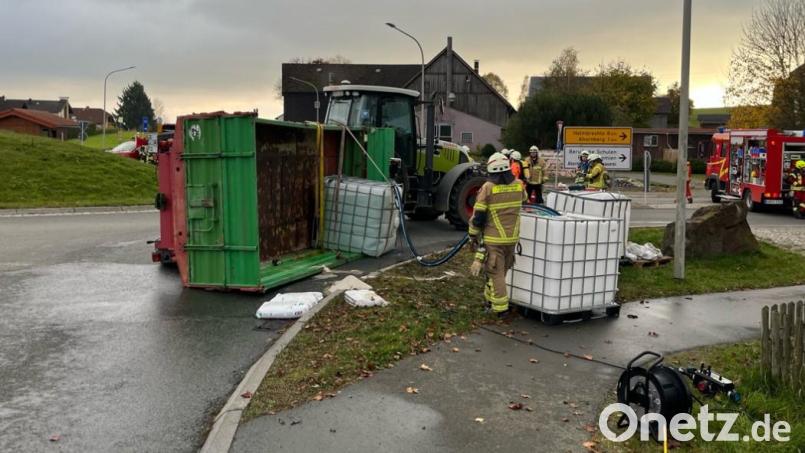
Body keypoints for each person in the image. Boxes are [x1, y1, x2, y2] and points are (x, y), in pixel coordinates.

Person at [468, 152, 526, 316]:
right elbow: (525, 198)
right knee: (500, 271)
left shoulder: (488, 187)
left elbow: (478, 216)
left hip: (494, 240)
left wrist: (473, 235)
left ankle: (500, 309)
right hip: (512, 239)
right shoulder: (518, 184)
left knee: (495, 273)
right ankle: (489, 299)